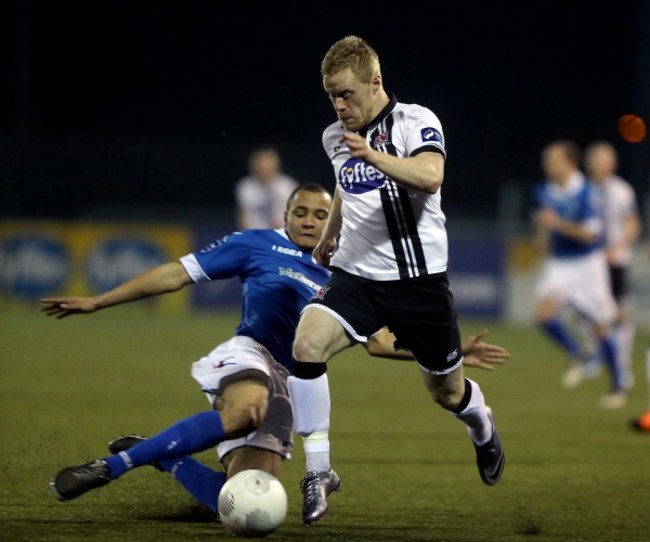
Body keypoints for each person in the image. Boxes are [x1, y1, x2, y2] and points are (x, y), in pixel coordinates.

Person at [42, 184, 510, 518]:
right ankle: (110, 467)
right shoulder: (257, 244)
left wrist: (447, 353)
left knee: (245, 501)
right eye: (300, 212)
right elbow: (177, 274)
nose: (309, 221)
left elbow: (379, 343)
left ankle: (166, 456)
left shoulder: (348, 276)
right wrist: (99, 301)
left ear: (336, 222)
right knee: (247, 411)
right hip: (249, 353)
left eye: (320, 214)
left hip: (291, 382)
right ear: (284, 216)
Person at [289, 34, 506, 496]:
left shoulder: (415, 121)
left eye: (346, 94)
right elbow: (346, 187)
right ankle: (319, 470)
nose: (338, 106)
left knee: (446, 393)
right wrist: (329, 237)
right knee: (306, 345)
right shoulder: (335, 137)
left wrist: (374, 155)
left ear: (375, 81)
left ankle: (482, 427)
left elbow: (430, 176)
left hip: (418, 285)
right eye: (331, 96)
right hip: (357, 276)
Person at [531, 140, 625, 409]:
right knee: (543, 316)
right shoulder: (543, 191)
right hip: (560, 263)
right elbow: (543, 228)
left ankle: (619, 382)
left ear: (569, 162)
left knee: (599, 326)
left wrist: (557, 224)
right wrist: (541, 238)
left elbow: (590, 234)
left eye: (552, 159)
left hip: (587, 264)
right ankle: (577, 352)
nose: (547, 164)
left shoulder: (586, 192)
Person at [583, 141, 641, 389]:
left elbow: (632, 223)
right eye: (594, 159)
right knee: (587, 311)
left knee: (618, 315)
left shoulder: (621, 191)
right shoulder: (583, 190)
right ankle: (599, 354)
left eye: (602, 159)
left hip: (615, 261)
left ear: (612, 164)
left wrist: (619, 246)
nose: (598, 164)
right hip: (588, 261)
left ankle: (622, 366)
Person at [235, 145, 299, 230]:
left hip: (281, 235)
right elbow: (243, 218)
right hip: (254, 235)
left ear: (276, 164)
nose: (262, 166)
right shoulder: (246, 186)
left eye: (267, 161)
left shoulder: (288, 186)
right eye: (259, 161)